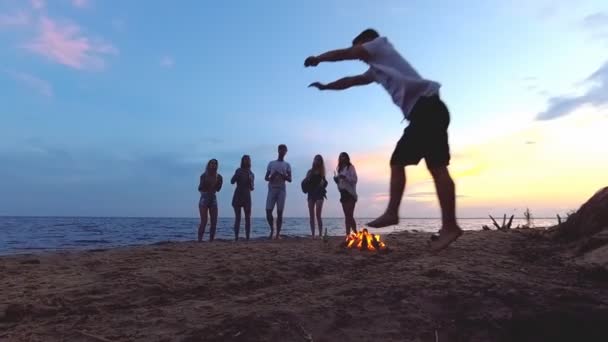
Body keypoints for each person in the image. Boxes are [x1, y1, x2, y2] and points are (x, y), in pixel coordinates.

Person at [304, 28, 462, 251]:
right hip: (428, 111)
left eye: (359, 48)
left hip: (427, 109)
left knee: (404, 162)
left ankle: (395, 213)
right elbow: (351, 81)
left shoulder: (380, 45)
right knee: (435, 168)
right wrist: (326, 86)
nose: (359, 55)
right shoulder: (377, 70)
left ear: (367, 41)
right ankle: (447, 226)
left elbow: (344, 54)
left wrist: (318, 58)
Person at [265, 144, 292, 239]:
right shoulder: (271, 163)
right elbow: (266, 178)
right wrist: (271, 177)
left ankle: (277, 234)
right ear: (278, 150)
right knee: (268, 211)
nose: (283, 152)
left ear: (286, 152)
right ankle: (272, 229)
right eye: (281, 150)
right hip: (272, 189)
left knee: (279, 212)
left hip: (281, 190)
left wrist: (282, 175)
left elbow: (290, 179)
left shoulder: (287, 165)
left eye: (284, 150)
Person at [302, 154, 328, 239]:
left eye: (319, 160)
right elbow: (305, 181)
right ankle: (313, 235)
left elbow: (325, 183)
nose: (317, 161)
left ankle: (320, 234)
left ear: (321, 162)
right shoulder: (310, 171)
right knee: (311, 215)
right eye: (316, 159)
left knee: (318, 215)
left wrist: (323, 183)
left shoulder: (322, 172)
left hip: (319, 193)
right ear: (314, 161)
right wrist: (306, 179)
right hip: (311, 193)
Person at [197, 159, 223, 242]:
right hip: (204, 198)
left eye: (215, 164)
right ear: (208, 165)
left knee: (214, 221)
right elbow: (199, 188)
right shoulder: (204, 176)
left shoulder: (218, 177)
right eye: (211, 163)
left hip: (213, 198)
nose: (213, 165)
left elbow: (218, 189)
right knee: (204, 221)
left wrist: (219, 183)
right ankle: (199, 240)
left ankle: (211, 240)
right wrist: (206, 187)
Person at [231, 155, 254, 241]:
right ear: (242, 161)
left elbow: (252, 188)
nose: (247, 161)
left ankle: (247, 237)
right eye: (245, 160)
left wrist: (250, 181)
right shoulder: (238, 170)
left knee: (248, 218)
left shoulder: (251, 173)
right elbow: (232, 181)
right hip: (238, 195)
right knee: (238, 218)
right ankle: (236, 237)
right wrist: (237, 175)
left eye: (248, 160)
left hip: (247, 196)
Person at [334, 152, 358, 236]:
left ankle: (355, 233)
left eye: (344, 156)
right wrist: (337, 182)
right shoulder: (339, 170)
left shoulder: (350, 167)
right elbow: (340, 186)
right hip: (343, 193)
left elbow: (355, 180)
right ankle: (348, 235)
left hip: (351, 193)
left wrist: (345, 177)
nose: (342, 158)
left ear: (347, 158)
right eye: (341, 157)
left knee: (349, 215)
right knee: (347, 216)